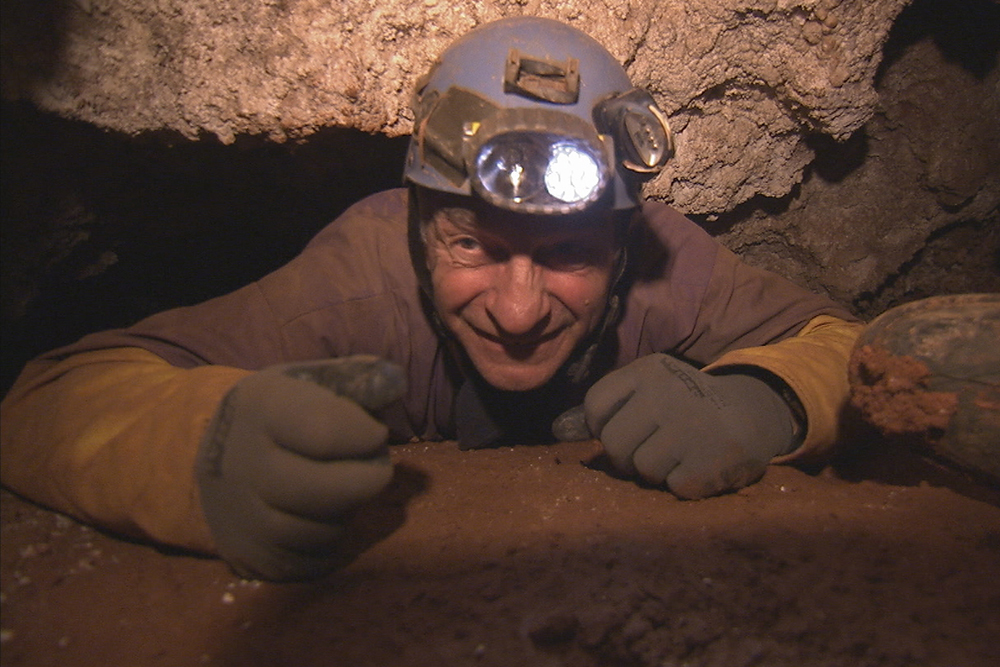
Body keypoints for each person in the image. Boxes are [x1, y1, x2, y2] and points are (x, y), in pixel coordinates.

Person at [0, 17, 862, 580]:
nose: (518, 310)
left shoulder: (667, 269)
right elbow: (49, 396)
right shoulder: (359, 284)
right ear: (418, 232)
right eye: (473, 246)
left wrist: (763, 402)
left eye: (567, 254)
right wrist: (201, 447)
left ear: (623, 245)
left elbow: (847, 342)